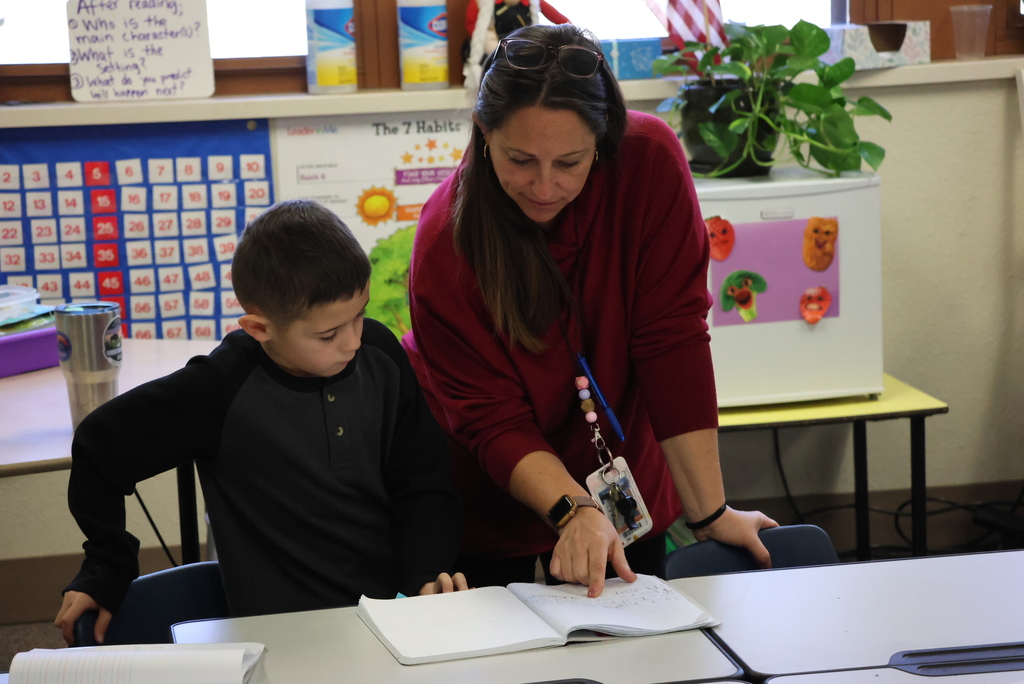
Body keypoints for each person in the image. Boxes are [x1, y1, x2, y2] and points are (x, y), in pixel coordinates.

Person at [402, 24, 778, 597]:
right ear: (483, 133)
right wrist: (574, 509)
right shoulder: (444, 244)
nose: (545, 187)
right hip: (489, 496)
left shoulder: (649, 164)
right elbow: (491, 420)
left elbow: (672, 339)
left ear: (602, 139)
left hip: (621, 483)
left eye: (570, 162)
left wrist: (710, 513)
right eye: (521, 160)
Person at [54, 199, 466, 646]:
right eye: (328, 334)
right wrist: (107, 563)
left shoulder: (381, 355)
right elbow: (99, 446)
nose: (353, 341)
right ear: (259, 329)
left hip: (395, 620)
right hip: (280, 638)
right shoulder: (220, 387)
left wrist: (428, 571)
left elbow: (424, 478)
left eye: (360, 315)